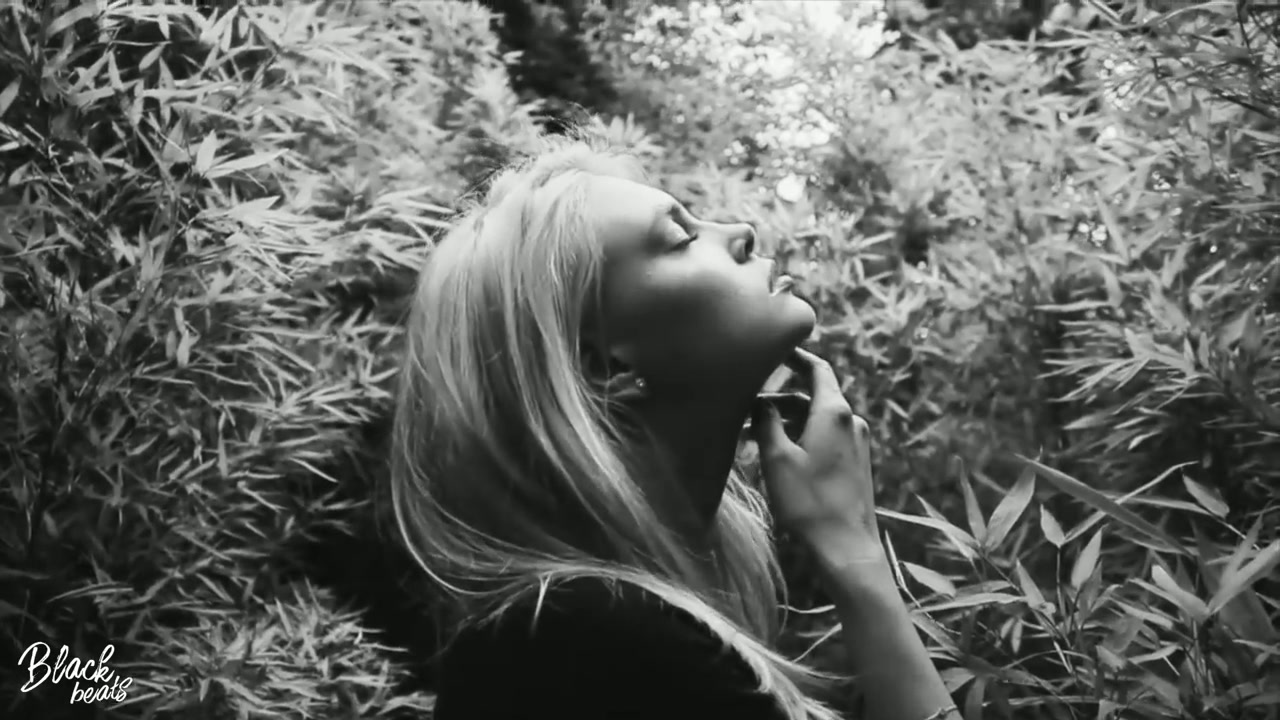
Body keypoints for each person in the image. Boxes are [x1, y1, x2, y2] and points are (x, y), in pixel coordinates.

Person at [388, 120, 961, 720]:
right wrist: (854, 553)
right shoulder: (580, 645)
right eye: (681, 236)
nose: (741, 232)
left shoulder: (585, 632)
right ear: (602, 367)